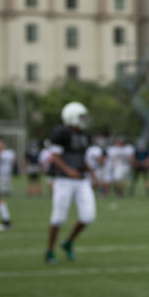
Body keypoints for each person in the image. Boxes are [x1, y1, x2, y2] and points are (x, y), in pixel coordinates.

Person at [45, 102, 96, 264]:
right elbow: (55, 157)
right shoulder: (61, 133)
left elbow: (82, 157)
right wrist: (68, 170)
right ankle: (49, 251)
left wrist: (92, 172)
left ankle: (68, 241)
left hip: (81, 179)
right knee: (58, 218)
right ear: (72, 117)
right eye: (81, 117)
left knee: (88, 215)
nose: (84, 120)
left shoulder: (85, 135)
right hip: (63, 180)